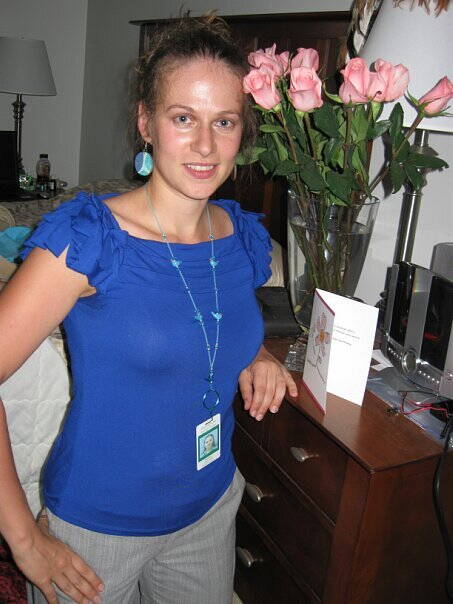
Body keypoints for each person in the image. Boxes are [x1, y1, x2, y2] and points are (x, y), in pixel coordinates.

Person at [0, 15, 298, 604]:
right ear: (146, 123)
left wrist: (255, 355)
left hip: (210, 511)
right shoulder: (90, 239)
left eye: (224, 121)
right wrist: (23, 539)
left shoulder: (242, 238)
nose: (206, 145)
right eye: (183, 118)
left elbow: (211, 322)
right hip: (95, 532)